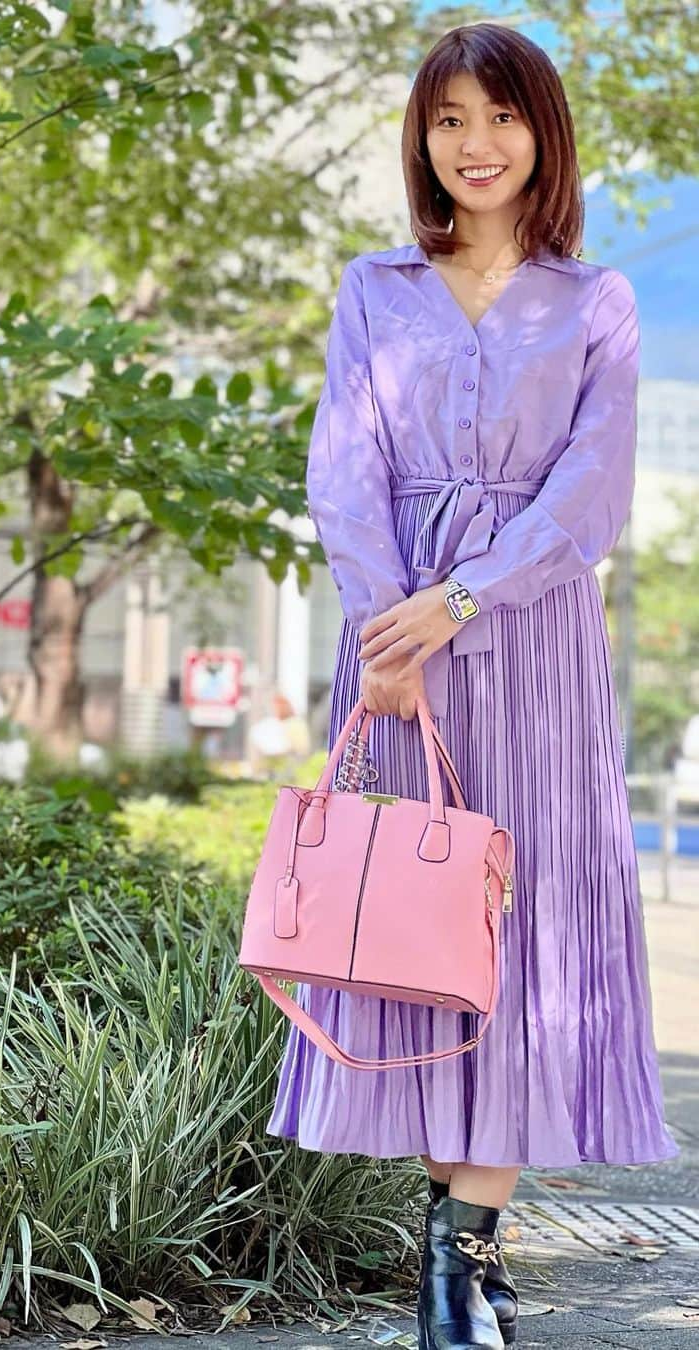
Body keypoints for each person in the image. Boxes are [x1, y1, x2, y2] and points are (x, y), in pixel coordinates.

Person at [263, 22, 679, 1350]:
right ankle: (477, 1262)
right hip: (393, 655)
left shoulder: (596, 301)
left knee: (525, 933)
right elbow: (344, 469)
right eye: (449, 119)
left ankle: (453, 1274)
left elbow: (590, 492)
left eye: (501, 116)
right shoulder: (373, 289)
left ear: (542, 135)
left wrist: (460, 601)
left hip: (535, 648)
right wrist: (390, 637)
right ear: (423, 139)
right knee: (419, 937)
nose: (476, 142)